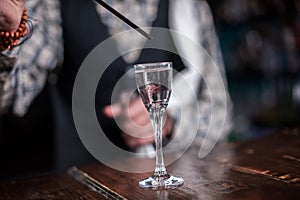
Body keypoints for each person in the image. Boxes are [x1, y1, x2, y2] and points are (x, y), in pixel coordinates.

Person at [0, 0, 232, 176]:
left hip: (178, 184)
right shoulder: (51, 5)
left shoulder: (189, 6)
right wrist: (8, 38)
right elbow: (13, 100)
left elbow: (219, 112)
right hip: (81, 183)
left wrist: (171, 123)